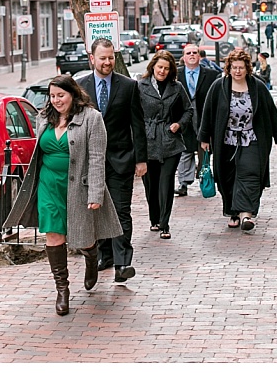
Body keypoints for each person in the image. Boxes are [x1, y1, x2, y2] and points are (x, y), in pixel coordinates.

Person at [3, 75, 122, 316]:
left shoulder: (91, 118)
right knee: (54, 235)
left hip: (78, 185)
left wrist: (96, 192)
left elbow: (97, 157)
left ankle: (91, 256)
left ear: (73, 94)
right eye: (53, 96)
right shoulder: (44, 118)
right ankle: (62, 290)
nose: (56, 101)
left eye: (61, 95)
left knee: (83, 238)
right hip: (48, 185)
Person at [74, 38, 145, 283]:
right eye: (102, 58)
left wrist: (141, 159)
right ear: (92, 59)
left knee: (121, 211)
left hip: (120, 159)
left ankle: (123, 263)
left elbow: (138, 124)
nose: (107, 62)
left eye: (111, 57)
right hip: (90, 162)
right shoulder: (80, 87)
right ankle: (104, 256)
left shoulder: (128, 86)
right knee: (95, 211)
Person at [200, 48, 277, 231]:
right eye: (234, 68)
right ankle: (233, 211)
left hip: (252, 138)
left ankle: (247, 214)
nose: (237, 71)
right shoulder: (219, 87)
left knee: (251, 173)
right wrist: (204, 137)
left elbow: (271, 112)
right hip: (226, 141)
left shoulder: (257, 87)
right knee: (228, 176)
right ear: (229, 68)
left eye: (241, 68)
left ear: (247, 68)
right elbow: (208, 112)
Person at [136, 51, 195, 239]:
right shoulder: (140, 86)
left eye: (166, 68)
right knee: (151, 184)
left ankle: (165, 223)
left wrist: (179, 124)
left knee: (166, 182)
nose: (162, 71)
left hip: (170, 141)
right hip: (148, 140)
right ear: (153, 66)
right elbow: (134, 114)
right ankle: (154, 218)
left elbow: (188, 110)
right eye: (160, 67)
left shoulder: (176, 87)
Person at [175, 43, 220, 195]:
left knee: (204, 151)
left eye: (195, 52)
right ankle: (183, 183)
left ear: (199, 56)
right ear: (184, 57)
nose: (192, 55)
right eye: (188, 53)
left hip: (203, 118)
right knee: (185, 151)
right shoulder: (176, 74)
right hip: (184, 119)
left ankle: (204, 178)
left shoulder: (211, 75)